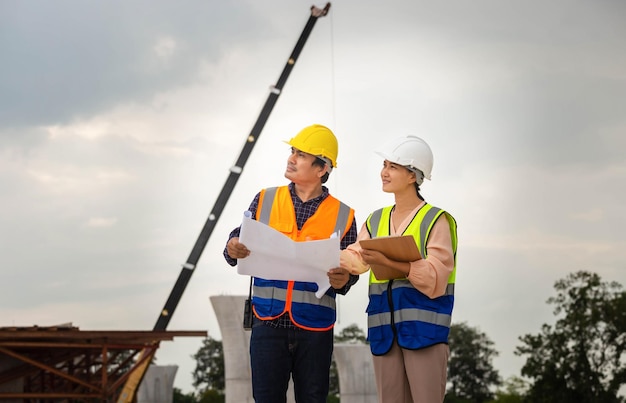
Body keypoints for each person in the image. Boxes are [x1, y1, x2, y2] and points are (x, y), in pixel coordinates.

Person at [223, 124, 359, 403]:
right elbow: (239, 236)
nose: (291, 158)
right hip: (267, 322)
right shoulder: (266, 199)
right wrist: (232, 246)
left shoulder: (343, 215)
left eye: (301, 154)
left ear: (322, 168)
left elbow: (351, 268)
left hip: (315, 329)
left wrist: (344, 279)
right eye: (293, 151)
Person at [340, 135, 458, 403]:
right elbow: (357, 259)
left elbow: (435, 279)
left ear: (413, 176)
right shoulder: (376, 219)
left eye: (393, 166)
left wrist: (393, 264)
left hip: (424, 333)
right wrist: (327, 255)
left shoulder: (436, 220)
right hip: (384, 332)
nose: (384, 172)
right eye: (384, 164)